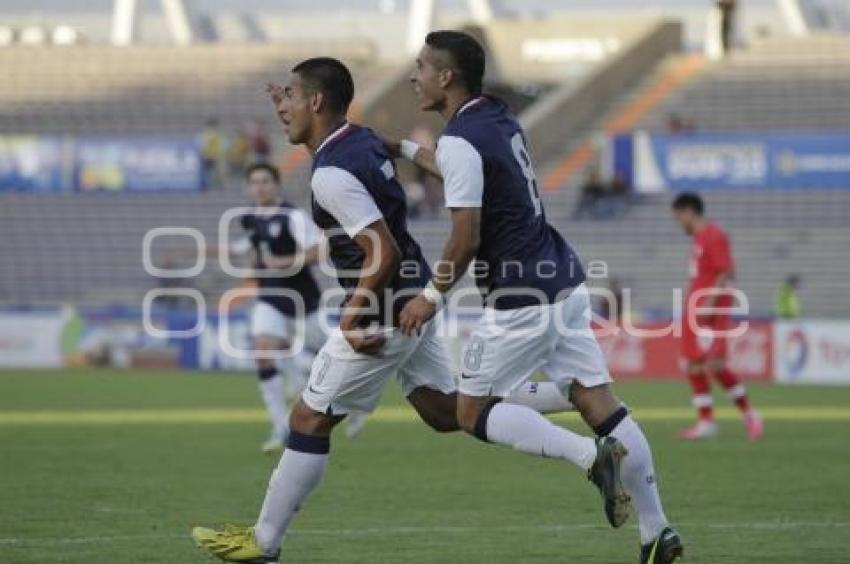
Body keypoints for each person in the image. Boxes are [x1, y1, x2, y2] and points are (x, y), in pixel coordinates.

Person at [192, 56, 579, 563]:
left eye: (289, 96)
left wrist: (352, 316)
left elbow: (381, 250)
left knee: (308, 419)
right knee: (445, 411)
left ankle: (264, 543)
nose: (280, 107)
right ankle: (575, 392)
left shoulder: (331, 173)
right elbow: (386, 155)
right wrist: (377, 135)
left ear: (317, 101)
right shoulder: (361, 139)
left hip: (384, 310)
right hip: (408, 297)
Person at [392, 31, 682, 563]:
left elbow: (465, 235)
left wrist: (430, 297)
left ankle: (589, 459)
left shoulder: (461, 139)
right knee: (601, 403)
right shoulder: (498, 119)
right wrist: (407, 149)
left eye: (421, 67)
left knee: (470, 411)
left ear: (446, 77)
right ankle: (657, 531)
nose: (414, 75)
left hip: (520, 295)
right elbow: (461, 169)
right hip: (564, 283)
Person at [237, 162, 367, 452]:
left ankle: (355, 400)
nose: (259, 187)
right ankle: (279, 425)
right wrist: (251, 267)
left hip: (302, 300)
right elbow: (254, 250)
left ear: (276, 185)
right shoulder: (248, 218)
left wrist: (284, 262)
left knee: (337, 354)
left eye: (265, 182)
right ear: (248, 187)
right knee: (262, 351)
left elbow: (320, 250)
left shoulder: (292, 216)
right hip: (270, 297)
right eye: (254, 182)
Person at [671, 192, 763, 441]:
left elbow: (725, 271)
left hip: (712, 310)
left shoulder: (715, 235)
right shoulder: (699, 238)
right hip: (696, 307)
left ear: (689, 211)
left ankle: (750, 414)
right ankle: (706, 422)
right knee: (692, 364)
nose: (679, 222)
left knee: (715, 364)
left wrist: (710, 303)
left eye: (679, 217)